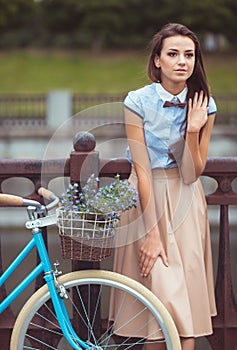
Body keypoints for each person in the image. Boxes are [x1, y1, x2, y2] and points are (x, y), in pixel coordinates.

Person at [109, 23, 217, 350]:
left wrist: (194, 129)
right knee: (154, 309)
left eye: (188, 54)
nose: (181, 61)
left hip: (186, 199)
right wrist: (152, 231)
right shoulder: (137, 102)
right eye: (172, 54)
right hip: (147, 198)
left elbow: (191, 173)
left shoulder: (204, 105)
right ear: (158, 60)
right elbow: (141, 168)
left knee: (184, 312)